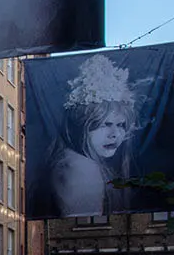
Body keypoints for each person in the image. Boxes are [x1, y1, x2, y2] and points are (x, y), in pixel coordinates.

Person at [48, 54, 158, 218]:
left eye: (120, 125)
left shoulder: (74, 161)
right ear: (82, 124)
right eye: (105, 124)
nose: (114, 135)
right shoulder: (81, 168)